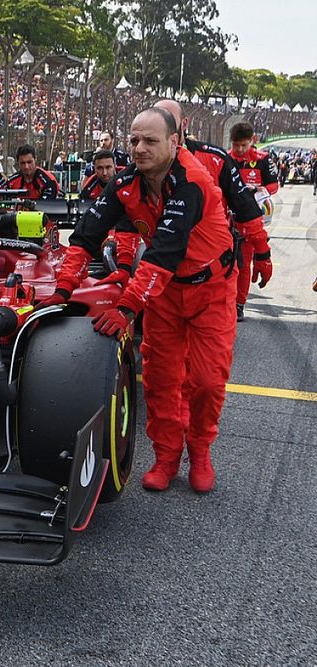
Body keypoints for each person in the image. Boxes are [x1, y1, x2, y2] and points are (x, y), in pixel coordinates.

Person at [38, 107, 237, 495]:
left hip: (210, 291)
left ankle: (200, 451)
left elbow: (163, 253)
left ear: (174, 142)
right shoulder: (125, 182)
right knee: (161, 381)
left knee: (208, 381)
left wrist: (127, 307)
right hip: (164, 295)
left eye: (150, 140)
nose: (139, 148)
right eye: (133, 140)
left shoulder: (192, 181)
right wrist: (62, 291)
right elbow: (85, 237)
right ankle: (166, 457)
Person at [154, 100, 271, 323]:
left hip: (211, 275)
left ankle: (239, 303)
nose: (164, 124)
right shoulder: (142, 162)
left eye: (170, 118)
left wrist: (263, 253)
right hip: (161, 276)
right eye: (158, 116)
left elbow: (246, 207)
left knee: (210, 355)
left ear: (184, 123)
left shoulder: (215, 158)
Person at [228, 121, 278, 321]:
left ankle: (239, 304)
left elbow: (274, 185)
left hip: (250, 219)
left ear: (252, 141)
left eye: (243, 145)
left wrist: (259, 190)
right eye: (236, 145)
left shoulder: (263, 160)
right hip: (224, 219)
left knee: (243, 263)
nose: (239, 149)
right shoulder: (225, 159)